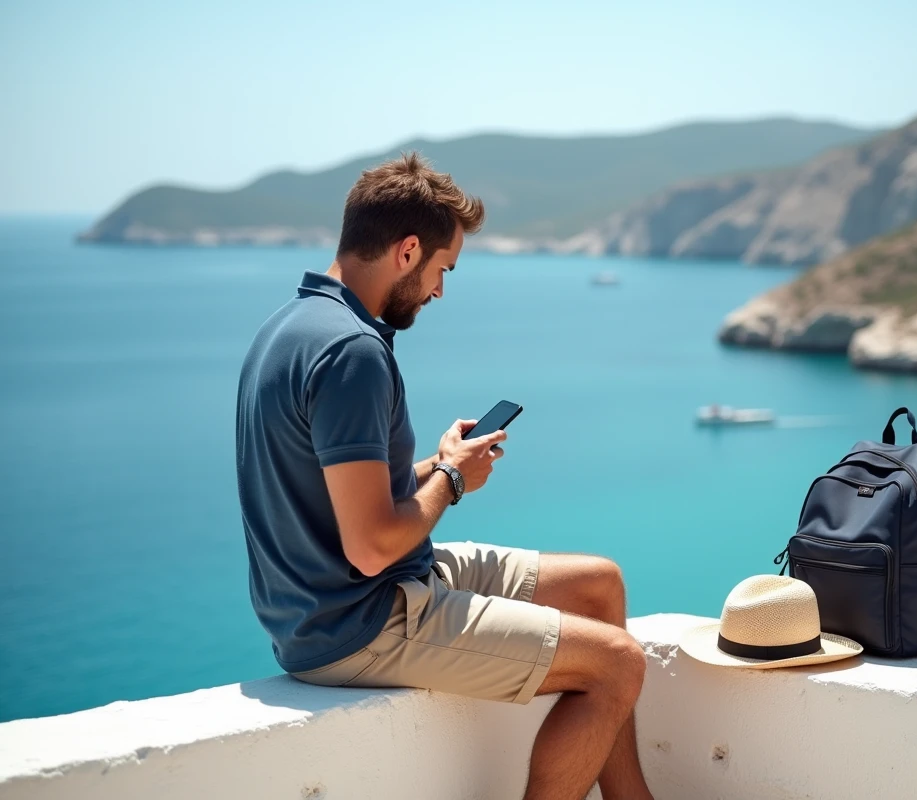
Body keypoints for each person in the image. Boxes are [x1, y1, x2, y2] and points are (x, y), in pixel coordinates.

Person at [235, 154, 653, 800]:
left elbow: (340, 492)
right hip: (362, 624)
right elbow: (370, 544)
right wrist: (452, 484)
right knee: (618, 666)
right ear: (406, 252)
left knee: (601, 585)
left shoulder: (286, 329)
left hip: (339, 603)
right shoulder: (353, 355)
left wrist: (435, 464)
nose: (439, 292)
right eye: (441, 270)